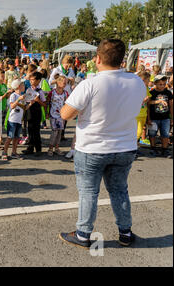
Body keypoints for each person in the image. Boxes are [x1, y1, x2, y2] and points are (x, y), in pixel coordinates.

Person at [59, 39, 146, 248]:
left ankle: (83, 234)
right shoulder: (137, 82)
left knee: (89, 191)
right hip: (125, 146)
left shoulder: (90, 83)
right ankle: (125, 232)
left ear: (97, 58)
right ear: (122, 59)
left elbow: (65, 114)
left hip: (92, 147)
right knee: (119, 190)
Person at [147, 74, 173, 158]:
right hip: (154, 118)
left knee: (165, 134)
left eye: (164, 84)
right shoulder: (152, 93)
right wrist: (148, 118)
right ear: (155, 83)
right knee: (152, 134)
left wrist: (172, 118)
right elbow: (148, 104)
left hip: (165, 118)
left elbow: (171, 105)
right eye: (160, 84)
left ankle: (164, 149)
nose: (162, 86)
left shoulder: (168, 92)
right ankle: (153, 148)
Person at [22, 72, 46, 156]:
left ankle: (38, 149)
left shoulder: (40, 91)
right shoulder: (28, 89)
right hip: (29, 111)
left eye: (33, 80)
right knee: (30, 130)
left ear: (38, 81)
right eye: (30, 79)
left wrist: (38, 101)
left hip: (37, 112)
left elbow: (44, 104)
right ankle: (30, 148)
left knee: (36, 131)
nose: (31, 81)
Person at [2, 80, 26, 160]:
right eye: (23, 85)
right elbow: (12, 106)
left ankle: (14, 152)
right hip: (12, 120)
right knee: (10, 137)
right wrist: (19, 99)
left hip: (19, 120)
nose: (24, 86)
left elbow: (24, 107)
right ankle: (4, 152)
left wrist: (30, 104)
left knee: (16, 138)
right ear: (18, 86)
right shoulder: (13, 95)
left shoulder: (22, 96)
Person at [46, 76, 69, 156]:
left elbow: (67, 104)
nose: (65, 84)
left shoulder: (66, 93)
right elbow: (47, 102)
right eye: (63, 82)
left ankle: (57, 148)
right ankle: (50, 148)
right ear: (58, 83)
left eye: (66, 82)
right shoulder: (52, 92)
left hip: (62, 116)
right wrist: (47, 112)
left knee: (59, 132)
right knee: (54, 132)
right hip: (53, 115)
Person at [136, 71, 152, 149]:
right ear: (142, 80)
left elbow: (148, 98)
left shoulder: (146, 88)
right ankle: (128, 149)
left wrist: (148, 99)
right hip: (137, 114)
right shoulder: (135, 88)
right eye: (148, 80)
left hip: (143, 113)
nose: (149, 82)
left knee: (139, 132)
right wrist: (143, 100)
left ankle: (133, 149)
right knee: (138, 133)